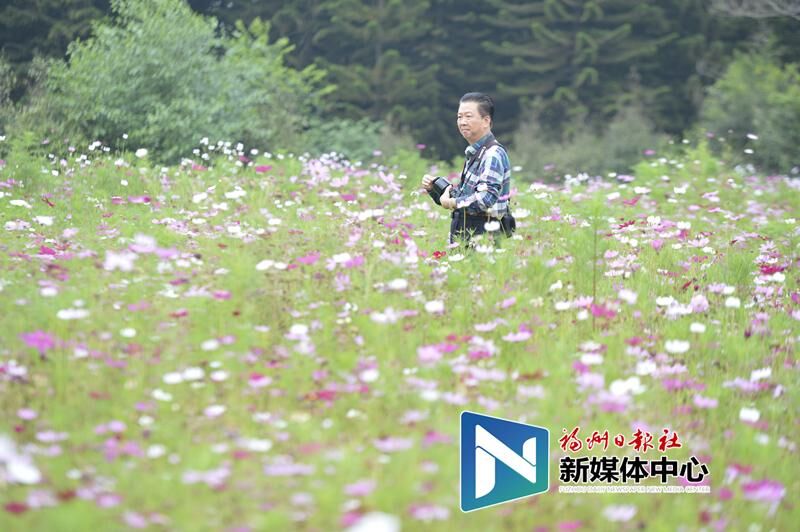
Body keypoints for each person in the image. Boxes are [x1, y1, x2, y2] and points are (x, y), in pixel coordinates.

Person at [421, 92, 513, 246]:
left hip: (483, 237)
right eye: (459, 117)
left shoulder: (492, 154)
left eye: (468, 116)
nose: (462, 122)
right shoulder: (476, 152)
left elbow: (485, 198)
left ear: (486, 121)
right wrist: (436, 189)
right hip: (468, 233)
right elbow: (465, 198)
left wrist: (452, 202)